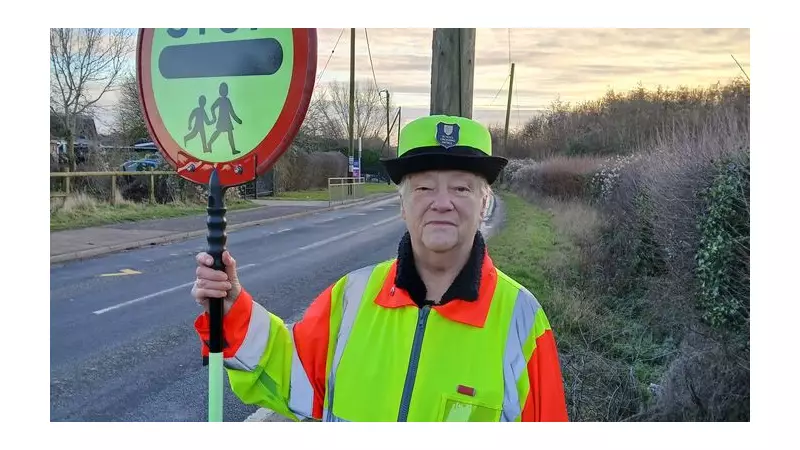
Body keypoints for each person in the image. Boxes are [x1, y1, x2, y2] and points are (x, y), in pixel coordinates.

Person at [191, 115, 569, 422]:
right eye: (423, 188)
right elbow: (289, 371)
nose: (442, 203)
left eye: (461, 189)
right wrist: (232, 311)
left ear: (484, 203)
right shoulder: (352, 297)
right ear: (402, 205)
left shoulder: (522, 321)